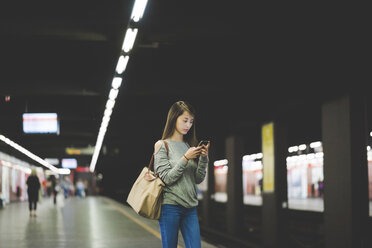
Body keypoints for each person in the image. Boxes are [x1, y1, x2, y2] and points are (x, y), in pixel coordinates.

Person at [154, 100, 210, 248]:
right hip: (170, 207)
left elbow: (197, 179)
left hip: (190, 207)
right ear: (174, 118)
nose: (188, 125)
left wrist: (204, 158)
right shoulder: (162, 145)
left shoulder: (188, 146)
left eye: (191, 121)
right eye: (185, 120)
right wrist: (185, 158)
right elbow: (166, 178)